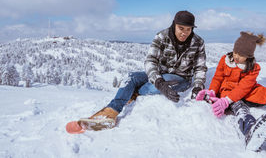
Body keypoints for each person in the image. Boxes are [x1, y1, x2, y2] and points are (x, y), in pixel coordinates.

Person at [67, 10, 207, 133]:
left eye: (188, 29)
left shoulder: (198, 42)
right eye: (181, 28)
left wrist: (198, 87)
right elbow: (150, 60)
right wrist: (158, 81)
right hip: (158, 74)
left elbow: (200, 67)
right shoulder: (162, 37)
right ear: (174, 24)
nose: (184, 33)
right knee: (131, 77)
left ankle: (134, 92)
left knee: (153, 87)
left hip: (180, 78)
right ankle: (111, 112)